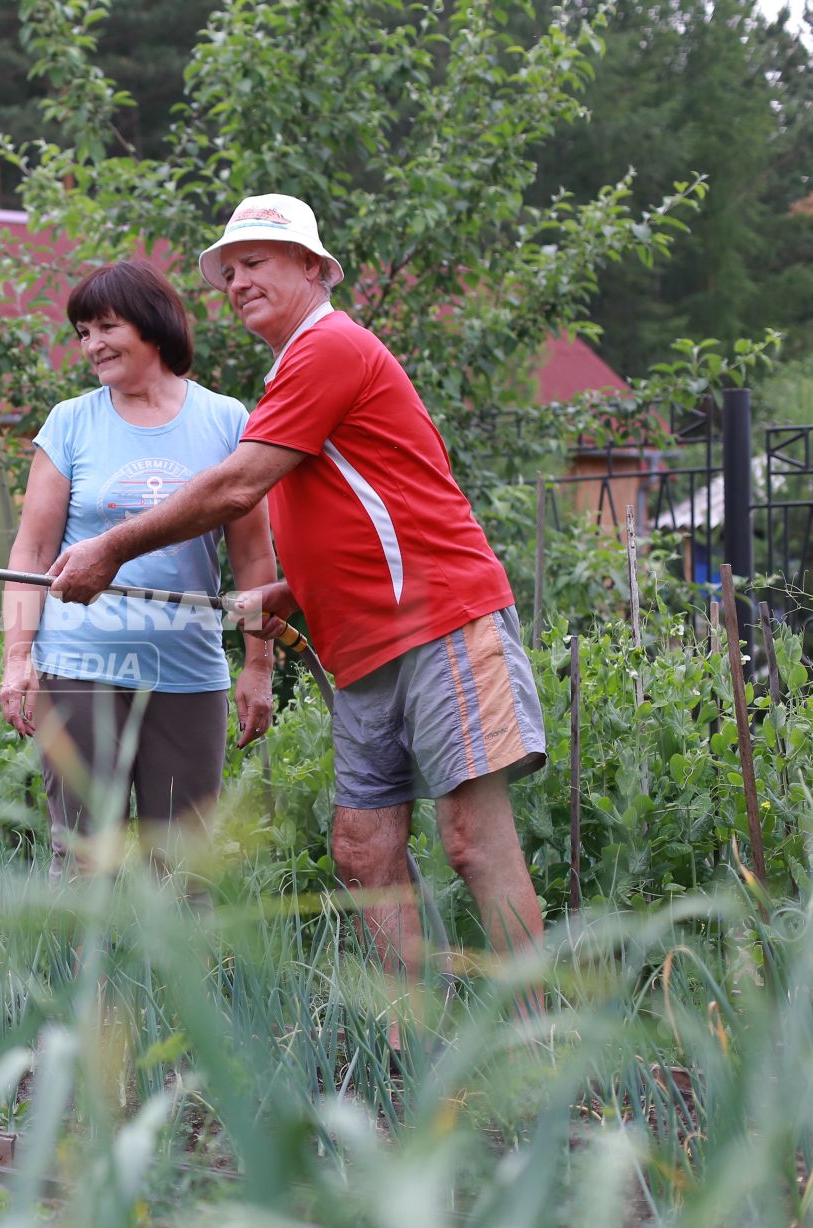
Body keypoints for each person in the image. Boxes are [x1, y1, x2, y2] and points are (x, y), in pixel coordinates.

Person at [48, 195, 548, 987]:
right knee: (362, 850)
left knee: (472, 842)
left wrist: (108, 547)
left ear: (314, 269)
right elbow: (349, 506)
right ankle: (411, 1042)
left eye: (258, 263)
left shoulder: (330, 346)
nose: (238, 281)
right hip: (361, 645)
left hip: (438, 619)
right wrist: (295, 586)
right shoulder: (291, 369)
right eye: (231, 270)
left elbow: (238, 487)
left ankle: (541, 1043)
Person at [0, 260, 279, 877]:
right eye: (81, 333)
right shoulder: (71, 422)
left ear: (153, 326)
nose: (92, 345)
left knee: (184, 868)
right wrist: (18, 658)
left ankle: (175, 978)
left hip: (188, 671)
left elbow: (254, 555)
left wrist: (259, 665)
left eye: (105, 327)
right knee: (82, 861)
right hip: (79, 667)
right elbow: (32, 551)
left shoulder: (228, 420)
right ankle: (83, 979)